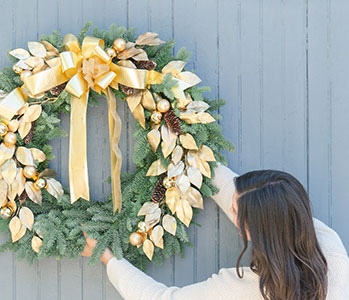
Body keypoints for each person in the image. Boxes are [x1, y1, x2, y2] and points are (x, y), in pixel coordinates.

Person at [82, 162, 349, 300]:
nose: (231, 213)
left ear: (257, 230)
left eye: (237, 213)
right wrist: (194, 151)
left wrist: (108, 259)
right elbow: (239, 194)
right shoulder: (328, 244)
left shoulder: (248, 289)